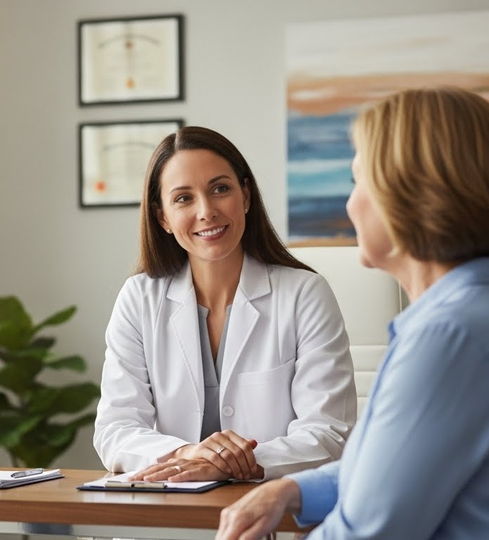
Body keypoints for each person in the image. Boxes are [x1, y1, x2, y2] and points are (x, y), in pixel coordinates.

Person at [216, 87, 489, 539]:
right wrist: (292, 491)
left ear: (410, 196)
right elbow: (389, 467)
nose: (349, 204)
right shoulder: (483, 313)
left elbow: (370, 531)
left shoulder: (449, 338)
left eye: (359, 180)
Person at [94, 126, 357, 482]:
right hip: (170, 508)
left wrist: (239, 461)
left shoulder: (304, 294)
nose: (206, 211)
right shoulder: (139, 298)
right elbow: (115, 429)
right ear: (163, 218)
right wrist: (188, 454)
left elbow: (329, 433)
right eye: (183, 198)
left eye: (220, 189)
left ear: (245, 196)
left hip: (269, 508)